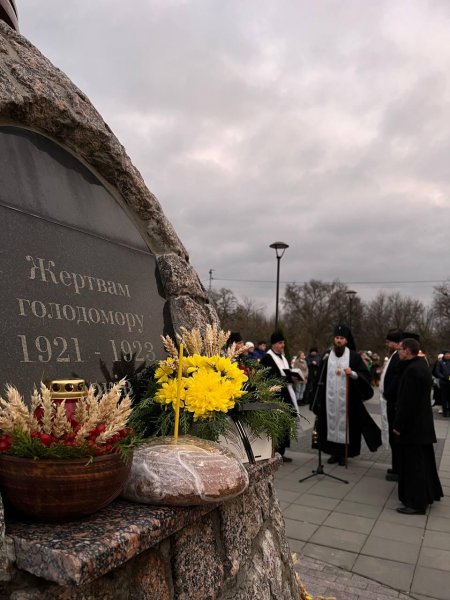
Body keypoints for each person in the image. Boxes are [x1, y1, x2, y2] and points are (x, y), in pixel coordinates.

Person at [313, 325, 381, 465]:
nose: (339, 341)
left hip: (348, 402)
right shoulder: (327, 357)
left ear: (346, 341)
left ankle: (345, 455)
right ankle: (333, 453)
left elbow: (365, 375)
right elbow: (319, 377)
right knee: (329, 426)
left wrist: (353, 374)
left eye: (342, 338)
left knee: (347, 428)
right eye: (337, 338)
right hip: (330, 401)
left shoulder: (354, 357)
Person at [394, 337, 443, 514]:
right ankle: (427, 495)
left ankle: (416, 503)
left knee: (414, 466)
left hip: (413, 427)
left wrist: (398, 425)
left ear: (407, 350)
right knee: (423, 463)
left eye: (400, 349)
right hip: (421, 425)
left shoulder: (413, 370)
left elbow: (407, 402)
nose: (398, 351)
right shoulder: (420, 365)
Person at [260, 331, 299, 462]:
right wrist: (288, 377)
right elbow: (269, 377)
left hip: (286, 395)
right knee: (277, 425)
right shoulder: (267, 358)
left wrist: (292, 377)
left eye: (283, 342)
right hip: (275, 397)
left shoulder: (283, 357)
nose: (283, 345)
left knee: (285, 425)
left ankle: (281, 452)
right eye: (280, 343)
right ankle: (274, 452)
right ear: (274, 344)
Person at [379, 328, 403, 481]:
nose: (387, 344)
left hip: (393, 401)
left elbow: (396, 378)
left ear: (395, 342)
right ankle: (396, 466)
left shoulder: (398, 357)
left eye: (389, 342)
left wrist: (388, 393)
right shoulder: (394, 355)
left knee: (396, 439)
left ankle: (398, 469)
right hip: (389, 400)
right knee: (393, 439)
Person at [436, 350, 450, 417]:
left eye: (449, 354)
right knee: (444, 398)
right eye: (446, 354)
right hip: (443, 382)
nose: (447, 355)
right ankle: (445, 412)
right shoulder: (440, 362)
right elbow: (438, 372)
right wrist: (443, 377)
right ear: (444, 355)